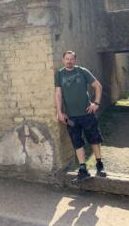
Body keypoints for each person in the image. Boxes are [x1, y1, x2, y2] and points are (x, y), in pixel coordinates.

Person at [54, 50, 106, 180]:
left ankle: (99, 164)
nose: (69, 61)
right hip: (71, 117)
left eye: (71, 59)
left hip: (87, 113)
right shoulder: (60, 74)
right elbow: (58, 94)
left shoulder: (82, 71)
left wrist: (96, 103)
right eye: (67, 59)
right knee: (77, 142)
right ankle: (83, 169)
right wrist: (60, 112)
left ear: (75, 60)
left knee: (94, 139)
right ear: (63, 60)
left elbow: (98, 86)